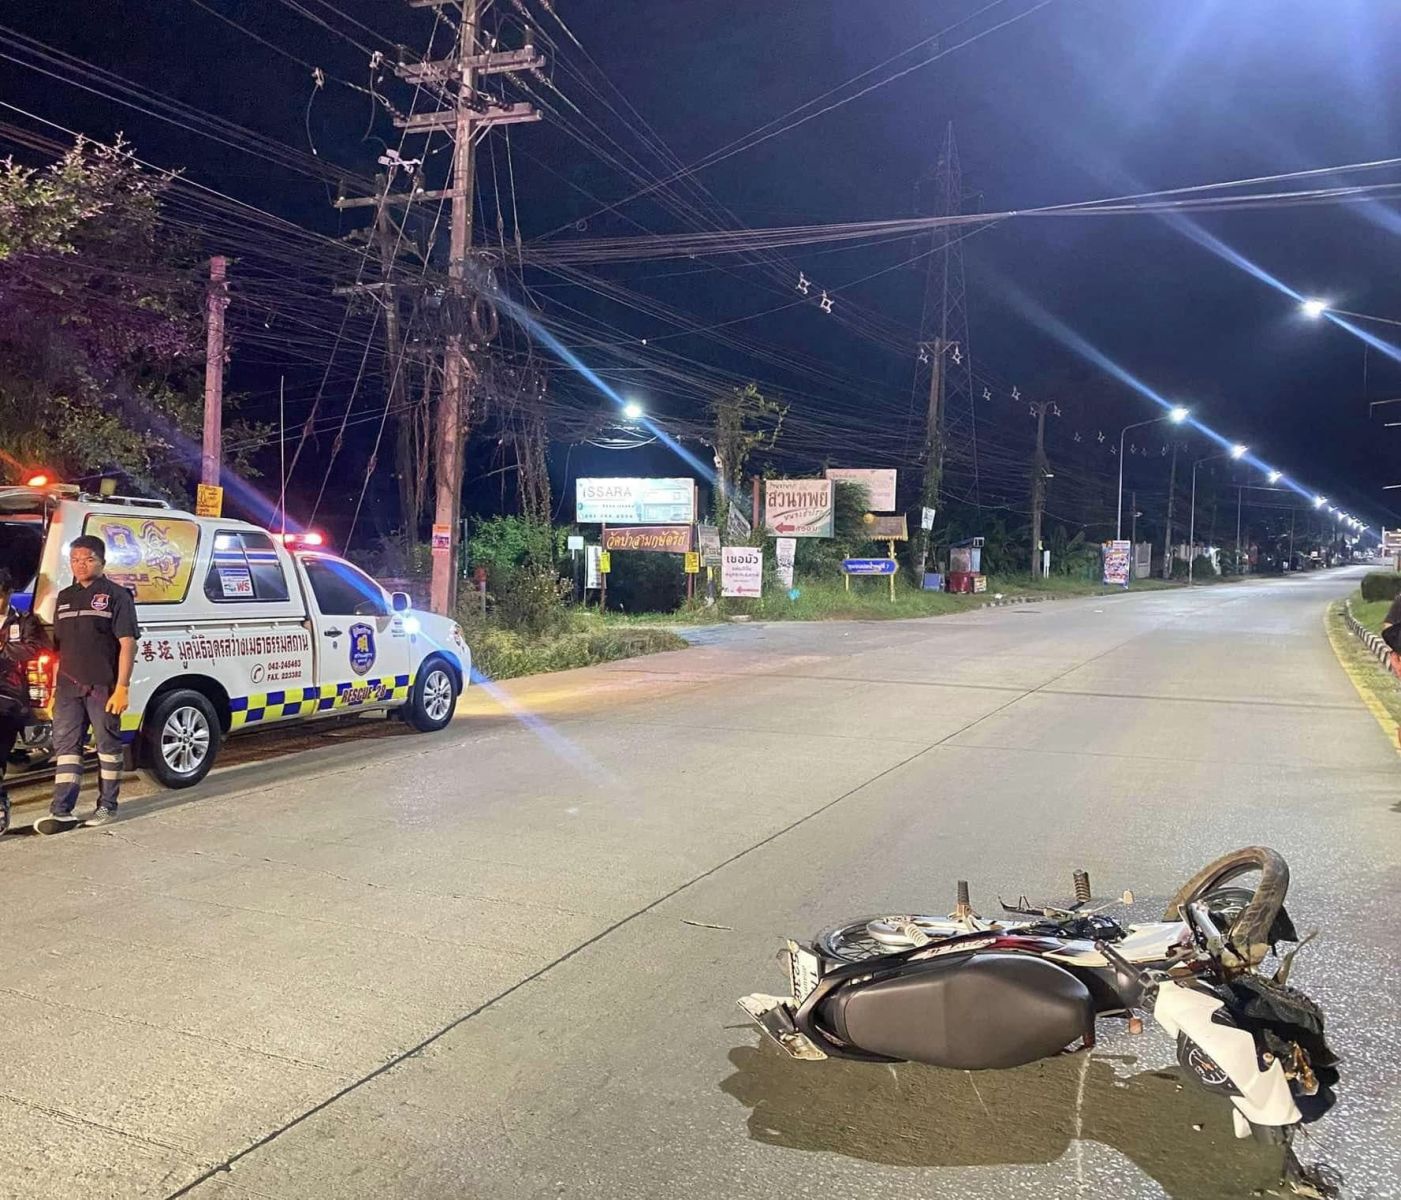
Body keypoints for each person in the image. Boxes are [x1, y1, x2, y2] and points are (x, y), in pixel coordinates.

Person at [34, 535, 139, 834]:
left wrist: (122, 687)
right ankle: (61, 810)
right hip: (68, 688)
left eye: (88, 559)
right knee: (66, 748)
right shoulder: (65, 597)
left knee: (107, 747)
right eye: (75, 560)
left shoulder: (117, 595)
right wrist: (53, 692)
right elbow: (59, 648)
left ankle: (107, 805)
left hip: (102, 686)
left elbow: (128, 644)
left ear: (102, 562)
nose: (81, 565)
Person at [0, 568, 48, 835]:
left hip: (10, 697)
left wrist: (3, 647)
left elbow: (36, 648)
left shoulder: (24, 621)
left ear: (8, 594)